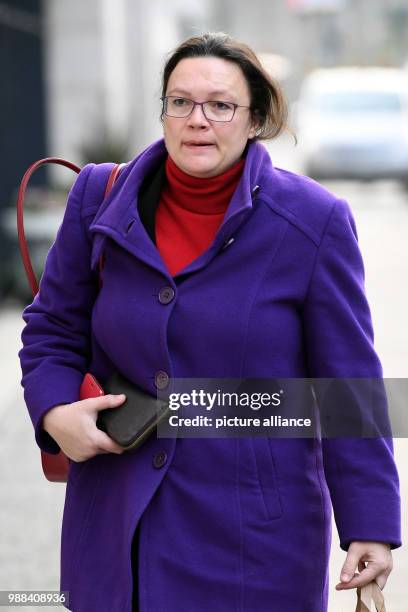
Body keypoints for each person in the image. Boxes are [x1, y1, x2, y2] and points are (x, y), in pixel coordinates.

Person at [18, 32, 401, 612]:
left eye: (220, 105)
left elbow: (348, 388)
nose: (197, 120)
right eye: (180, 101)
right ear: (164, 110)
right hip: (119, 522)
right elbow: (52, 328)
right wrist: (53, 412)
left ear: (255, 120)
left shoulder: (313, 222)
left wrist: (369, 522)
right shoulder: (99, 199)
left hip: (255, 534)